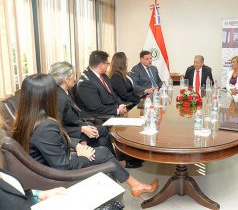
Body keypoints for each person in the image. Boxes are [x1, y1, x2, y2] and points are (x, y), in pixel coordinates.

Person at [12, 74, 158, 198]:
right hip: (53, 175)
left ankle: (133, 184)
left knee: (101, 149)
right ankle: (135, 185)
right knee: (104, 153)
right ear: (48, 96)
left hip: (46, 165)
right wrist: (83, 155)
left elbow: (56, 141)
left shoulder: (25, 119)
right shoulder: (46, 126)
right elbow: (62, 166)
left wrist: (77, 145)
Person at [50, 62, 115, 154]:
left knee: (95, 128)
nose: (75, 78)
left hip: (74, 127)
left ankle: (105, 159)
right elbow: (57, 128)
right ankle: (107, 159)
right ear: (66, 79)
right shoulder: (59, 98)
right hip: (69, 135)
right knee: (102, 130)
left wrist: (84, 126)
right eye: (73, 76)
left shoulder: (62, 92)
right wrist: (82, 129)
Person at [76, 50, 127, 118]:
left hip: (113, 110)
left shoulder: (103, 75)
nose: (108, 65)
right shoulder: (86, 83)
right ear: (101, 65)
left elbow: (112, 93)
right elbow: (96, 108)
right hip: (102, 117)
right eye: (107, 63)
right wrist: (117, 110)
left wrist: (120, 104)